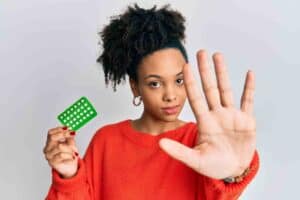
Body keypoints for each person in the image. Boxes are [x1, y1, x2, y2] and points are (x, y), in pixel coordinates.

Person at [43, 3, 259, 200]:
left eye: (179, 80)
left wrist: (234, 173)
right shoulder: (106, 141)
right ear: (135, 86)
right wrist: (69, 177)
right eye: (155, 83)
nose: (171, 95)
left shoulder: (202, 139)